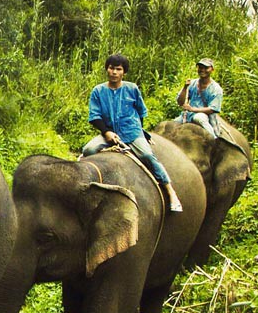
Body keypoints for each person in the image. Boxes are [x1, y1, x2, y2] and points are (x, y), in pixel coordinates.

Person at [81, 54, 184, 212]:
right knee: (88, 150)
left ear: (124, 72)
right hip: (109, 132)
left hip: (131, 131)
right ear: (106, 69)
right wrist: (107, 132)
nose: (114, 72)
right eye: (111, 68)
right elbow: (94, 117)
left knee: (147, 156)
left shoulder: (132, 88)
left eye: (118, 69)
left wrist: (139, 133)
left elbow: (141, 113)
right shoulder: (98, 91)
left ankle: (170, 191)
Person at [176, 57, 223, 138]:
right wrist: (185, 87)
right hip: (188, 115)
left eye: (206, 68)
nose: (202, 70)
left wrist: (192, 109)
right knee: (173, 124)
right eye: (200, 67)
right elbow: (180, 102)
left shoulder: (216, 88)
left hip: (204, 115)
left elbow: (213, 109)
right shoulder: (192, 83)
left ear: (212, 69)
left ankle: (214, 140)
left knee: (199, 118)